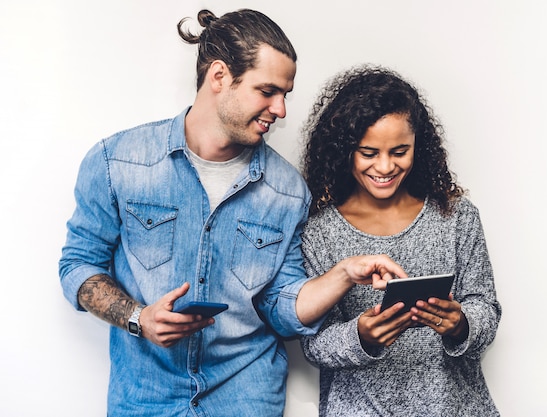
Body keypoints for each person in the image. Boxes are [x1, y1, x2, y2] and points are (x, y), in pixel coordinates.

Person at [58, 10, 405, 417]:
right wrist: (138, 318)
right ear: (220, 76)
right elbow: (78, 266)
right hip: (145, 399)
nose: (280, 109)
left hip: (246, 400)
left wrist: (344, 273)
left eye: (285, 94)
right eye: (268, 91)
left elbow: (281, 307)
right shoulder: (117, 162)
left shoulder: (288, 190)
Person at [299, 65, 502, 416]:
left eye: (399, 151)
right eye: (368, 152)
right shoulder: (318, 232)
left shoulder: (457, 217)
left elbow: (487, 309)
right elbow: (312, 344)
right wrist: (360, 336)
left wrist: (461, 323)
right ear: (344, 150)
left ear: (417, 147)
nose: (384, 166)